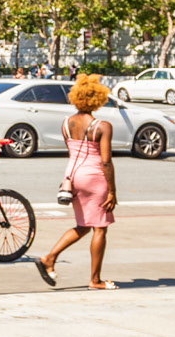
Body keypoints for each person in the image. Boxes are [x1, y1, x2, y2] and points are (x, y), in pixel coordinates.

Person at [35, 74, 118, 290]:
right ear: (98, 99)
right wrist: (112, 191)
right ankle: (95, 280)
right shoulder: (103, 126)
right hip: (95, 178)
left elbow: (74, 151)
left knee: (83, 226)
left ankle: (49, 258)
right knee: (99, 228)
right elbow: (106, 161)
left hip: (72, 177)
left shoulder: (66, 123)